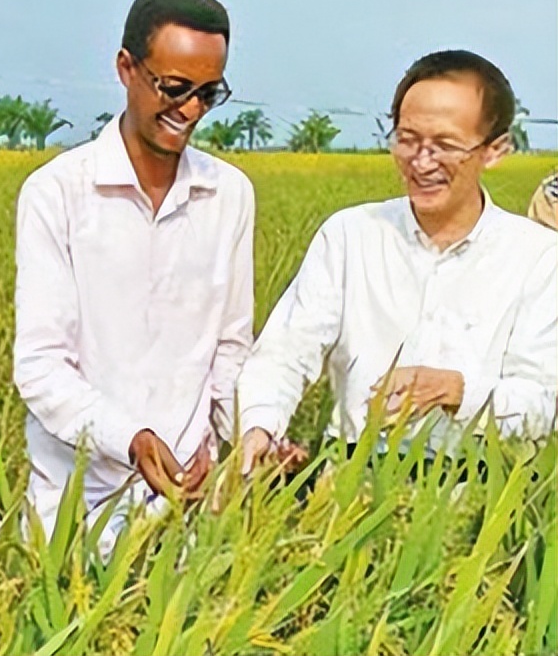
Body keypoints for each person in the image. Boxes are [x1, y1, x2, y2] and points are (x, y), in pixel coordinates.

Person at [13, 0, 255, 545]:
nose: (190, 111)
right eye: (173, 89)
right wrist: (132, 439)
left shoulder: (230, 194)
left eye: (208, 94)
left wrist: (240, 436)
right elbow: (41, 365)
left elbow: (230, 346)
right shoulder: (58, 193)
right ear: (126, 68)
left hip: (190, 507)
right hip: (75, 508)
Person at [239, 50, 558, 475]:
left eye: (445, 145)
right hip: (351, 475)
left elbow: (543, 404)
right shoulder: (351, 235)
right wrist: (260, 428)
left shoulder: (537, 256)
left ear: (495, 150)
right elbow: (285, 352)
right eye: (407, 139)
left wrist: (457, 391)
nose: (421, 162)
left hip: (479, 481)